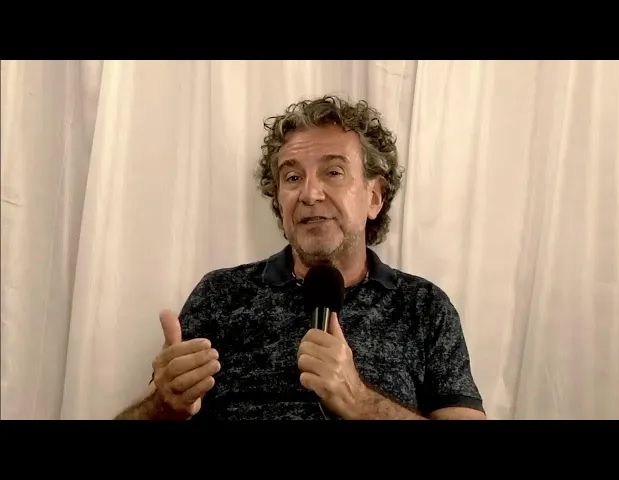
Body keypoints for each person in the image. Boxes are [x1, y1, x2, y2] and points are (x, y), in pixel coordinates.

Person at [115, 95, 486, 420]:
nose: (310, 194)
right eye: (292, 177)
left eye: (333, 172)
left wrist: (360, 401)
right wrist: (162, 407)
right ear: (279, 201)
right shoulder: (221, 294)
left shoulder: (423, 306)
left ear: (374, 197)